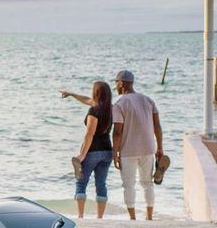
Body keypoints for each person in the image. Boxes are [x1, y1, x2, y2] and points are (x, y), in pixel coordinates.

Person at [111, 69, 167, 220]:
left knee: (128, 185)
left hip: (128, 150)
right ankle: (149, 216)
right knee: (147, 183)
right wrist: (160, 148)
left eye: (116, 83)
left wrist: (114, 153)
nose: (115, 86)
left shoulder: (119, 104)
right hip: (148, 148)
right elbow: (157, 127)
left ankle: (133, 218)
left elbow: (117, 132)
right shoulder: (148, 100)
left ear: (122, 83)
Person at [60, 81, 113, 218]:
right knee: (101, 184)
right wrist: (72, 94)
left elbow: (90, 133)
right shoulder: (110, 108)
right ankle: (100, 217)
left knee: (81, 182)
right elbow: (87, 100)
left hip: (92, 151)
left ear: (95, 93)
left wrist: (82, 155)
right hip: (107, 152)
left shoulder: (94, 110)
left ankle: (81, 216)